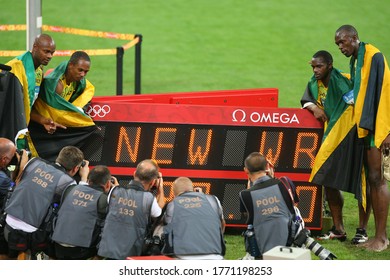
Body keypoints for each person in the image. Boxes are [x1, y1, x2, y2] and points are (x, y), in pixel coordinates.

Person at [300, 50, 369, 244]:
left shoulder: (342, 83)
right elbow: (306, 100)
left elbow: (355, 106)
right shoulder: (314, 83)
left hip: (352, 138)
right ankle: (338, 229)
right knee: (326, 178)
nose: (315, 70)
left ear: (329, 65)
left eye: (319, 66)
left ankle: (362, 230)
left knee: (361, 182)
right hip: (332, 138)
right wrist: (314, 108)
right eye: (313, 66)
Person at [335, 24, 390, 252]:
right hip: (367, 129)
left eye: (342, 42)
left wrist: (387, 131)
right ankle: (377, 236)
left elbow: (386, 90)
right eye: (337, 44)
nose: (340, 47)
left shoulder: (373, 56)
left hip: (378, 129)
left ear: (354, 38)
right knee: (372, 179)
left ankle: (382, 238)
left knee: (378, 180)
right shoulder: (356, 59)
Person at [3, 146, 89, 259]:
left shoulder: (34, 162)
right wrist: (84, 178)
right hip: (31, 236)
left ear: (59, 158)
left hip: (7, 226)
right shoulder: (68, 182)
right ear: (75, 169)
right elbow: (79, 208)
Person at [28, 51, 97, 162]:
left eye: (86, 72)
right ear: (70, 65)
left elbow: (87, 93)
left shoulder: (78, 82)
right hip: (40, 128)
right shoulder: (57, 86)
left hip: (53, 126)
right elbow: (32, 108)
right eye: (80, 70)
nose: (83, 74)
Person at [97, 159, 165, 260]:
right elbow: (159, 209)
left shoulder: (114, 191)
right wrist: (160, 189)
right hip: (130, 254)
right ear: (153, 181)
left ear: (134, 174)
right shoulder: (148, 199)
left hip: (108, 251)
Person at [239, 152, 300, 259]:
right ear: (267, 166)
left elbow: (249, 218)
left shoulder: (245, 195)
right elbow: (293, 206)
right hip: (290, 245)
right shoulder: (284, 183)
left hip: (262, 252)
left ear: (246, 170)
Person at [3, 34, 58, 150]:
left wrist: (42, 120)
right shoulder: (15, 68)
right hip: (9, 129)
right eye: (46, 51)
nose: (49, 56)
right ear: (35, 47)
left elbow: (27, 105)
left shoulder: (39, 71)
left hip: (23, 125)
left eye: (52, 53)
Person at [51, 165, 116, 260]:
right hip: (81, 251)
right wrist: (116, 190)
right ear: (108, 184)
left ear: (89, 181)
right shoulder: (104, 200)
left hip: (56, 246)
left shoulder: (70, 189)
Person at [160, 177, 226, 259]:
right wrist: (201, 198)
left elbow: (166, 230)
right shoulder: (213, 200)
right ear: (193, 189)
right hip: (215, 256)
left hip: (182, 257)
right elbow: (221, 224)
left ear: (174, 194)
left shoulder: (172, 205)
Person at [0, 138, 29, 260]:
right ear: (4, 159)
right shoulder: (3, 180)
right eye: (12, 155)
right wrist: (23, 167)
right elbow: (17, 192)